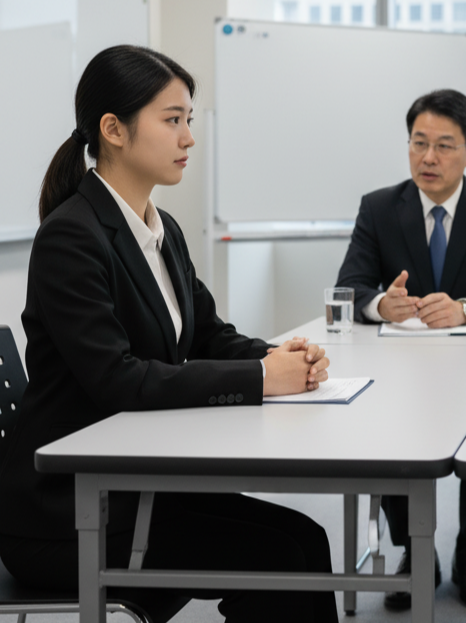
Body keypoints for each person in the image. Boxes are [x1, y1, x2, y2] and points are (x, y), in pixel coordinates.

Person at [0, 46, 337, 623]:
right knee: (281, 555)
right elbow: (118, 381)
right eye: (172, 119)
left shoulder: (162, 227)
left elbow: (206, 334)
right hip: (71, 515)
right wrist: (261, 378)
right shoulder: (71, 238)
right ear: (114, 130)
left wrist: (281, 357)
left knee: (306, 539)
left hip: (136, 487)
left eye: (189, 120)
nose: (188, 138)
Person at [336, 88, 466, 611]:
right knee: (391, 437)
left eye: (444, 146)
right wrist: (383, 305)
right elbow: (350, 288)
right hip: (402, 371)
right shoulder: (379, 207)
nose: (428, 157)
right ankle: (413, 552)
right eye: (418, 143)